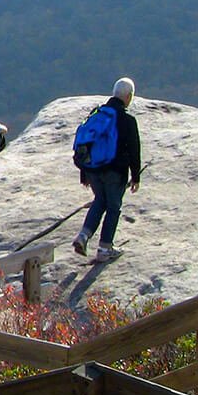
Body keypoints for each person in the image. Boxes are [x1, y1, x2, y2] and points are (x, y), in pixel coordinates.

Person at [72, 77, 141, 263]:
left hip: (93, 170)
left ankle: (83, 236)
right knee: (113, 207)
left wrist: (84, 172)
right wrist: (136, 176)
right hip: (114, 171)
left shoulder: (97, 114)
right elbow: (134, 148)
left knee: (99, 201)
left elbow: (88, 145)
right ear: (129, 96)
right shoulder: (127, 120)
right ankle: (104, 248)